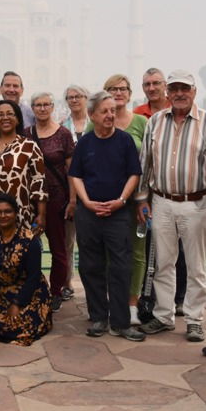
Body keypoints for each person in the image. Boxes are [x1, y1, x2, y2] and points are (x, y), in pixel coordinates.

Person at [134, 71, 206, 343]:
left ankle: (194, 319)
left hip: (195, 201)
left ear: (194, 91)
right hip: (161, 201)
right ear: (168, 93)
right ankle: (163, 315)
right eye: (175, 89)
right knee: (163, 263)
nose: (180, 93)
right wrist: (142, 199)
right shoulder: (156, 121)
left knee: (196, 265)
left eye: (185, 88)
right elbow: (145, 163)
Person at [69, 90, 145, 342]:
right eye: (104, 111)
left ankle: (121, 322)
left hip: (118, 213)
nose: (110, 115)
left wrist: (122, 200)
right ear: (91, 115)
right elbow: (76, 175)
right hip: (89, 214)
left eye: (112, 111)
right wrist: (87, 202)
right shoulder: (85, 143)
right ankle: (99, 316)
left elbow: (134, 173)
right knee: (91, 265)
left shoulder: (124, 141)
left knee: (121, 267)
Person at [97, 74, 150, 326]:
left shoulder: (141, 122)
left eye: (122, 89)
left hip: (135, 200)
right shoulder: (95, 121)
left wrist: (141, 199)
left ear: (130, 94)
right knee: (108, 252)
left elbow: (148, 162)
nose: (118, 93)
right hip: (105, 201)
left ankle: (131, 304)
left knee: (136, 252)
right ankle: (112, 300)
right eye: (112, 89)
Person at [0, 193, 52, 346]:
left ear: (16, 213)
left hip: (29, 291)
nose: (3, 215)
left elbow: (34, 277)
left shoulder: (30, 240)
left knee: (20, 326)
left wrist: (17, 304)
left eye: (8, 211)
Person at [26, 92, 75, 311]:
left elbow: (71, 170)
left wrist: (72, 200)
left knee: (58, 248)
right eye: (38, 105)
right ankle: (33, 289)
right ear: (33, 108)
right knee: (29, 246)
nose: (42, 109)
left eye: (46, 104)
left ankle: (56, 291)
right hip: (31, 200)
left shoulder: (63, 134)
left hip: (57, 198)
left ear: (53, 107)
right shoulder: (26, 134)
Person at [0, 99, 47, 235]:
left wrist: (41, 215)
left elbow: (39, 183)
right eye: (0, 115)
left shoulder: (29, 146)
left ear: (18, 119)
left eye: (10, 114)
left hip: (19, 215)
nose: (5, 117)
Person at [60, 83, 90, 302]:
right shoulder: (63, 127)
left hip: (94, 190)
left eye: (78, 96)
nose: (75, 100)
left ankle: (93, 284)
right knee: (67, 242)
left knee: (90, 243)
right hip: (70, 191)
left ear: (86, 98)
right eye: (70, 97)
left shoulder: (95, 123)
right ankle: (67, 282)